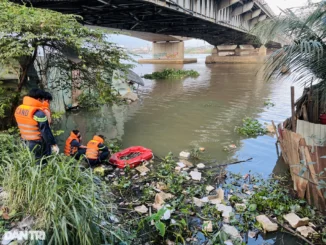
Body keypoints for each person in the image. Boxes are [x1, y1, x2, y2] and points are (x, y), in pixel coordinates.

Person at [14, 89, 59, 164]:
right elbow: (45, 131)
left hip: (25, 141)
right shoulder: (38, 113)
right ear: (38, 99)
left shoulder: (19, 109)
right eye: (42, 100)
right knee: (41, 162)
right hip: (37, 143)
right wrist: (53, 144)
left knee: (31, 160)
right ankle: (41, 174)